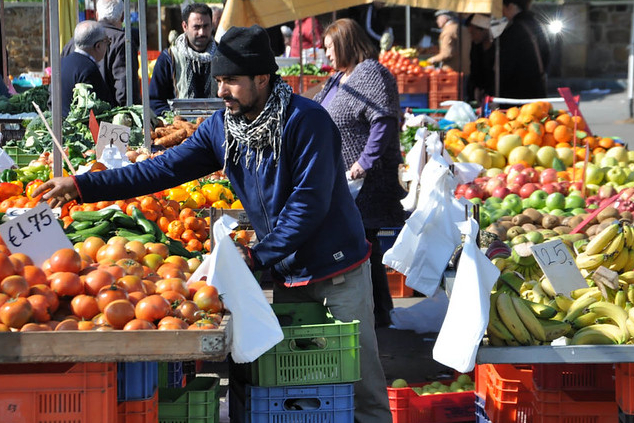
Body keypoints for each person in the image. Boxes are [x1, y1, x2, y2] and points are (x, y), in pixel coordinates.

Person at [33, 25, 393, 423]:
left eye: (231, 81)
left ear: (262, 78)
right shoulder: (222, 128)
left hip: (336, 270)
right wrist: (83, 185)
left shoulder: (306, 121)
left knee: (361, 382)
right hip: (288, 272)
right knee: (301, 382)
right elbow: (161, 170)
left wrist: (258, 255)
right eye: (219, 80)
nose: (222, 91)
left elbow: (309, 204)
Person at [313, 18, 405, 329]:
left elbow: (384, 121)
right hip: (344, 179)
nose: (327, 54)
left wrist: (364, 162)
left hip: (366, 180)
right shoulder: (339, 78)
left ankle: (376, 314)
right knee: (361, 242)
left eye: (330, 47)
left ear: (345, 43)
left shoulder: (370, 73)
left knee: (363, 242)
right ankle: (375, 311)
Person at [61, 0, 140, 107]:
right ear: (122, 17)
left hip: (71, 114)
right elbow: (126, 90)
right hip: (107, 114)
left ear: (97, 15)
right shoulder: (123, 41)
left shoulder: (74, 40)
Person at [149, 3, 216, 114]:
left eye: (206, 26)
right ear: (185, 26)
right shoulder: (168, 58)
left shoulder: (223, 56)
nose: (202, 32)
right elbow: (155, 101)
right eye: (196, 27)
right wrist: (173, 118)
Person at [495, 0, 551, 102]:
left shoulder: (513, 31)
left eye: (503, 8)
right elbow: (546, 57)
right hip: (538, 92)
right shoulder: (538, 25)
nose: (502, 13)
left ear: (511, 6)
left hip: (516, 96)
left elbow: (505, 67)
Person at [60, 21, 115, 117]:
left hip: (60, 122)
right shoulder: (89, 69)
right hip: (78, 125)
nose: (107, 46)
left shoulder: (62, 63)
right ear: (98, 46)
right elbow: (97, 109)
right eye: (106, 42)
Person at [466, 14, 494, 104]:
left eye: (473, 33)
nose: (472, 37)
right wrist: (476, 88)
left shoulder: (498, 48)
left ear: (485, 30)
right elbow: (474, 68)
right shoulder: (476, 46)